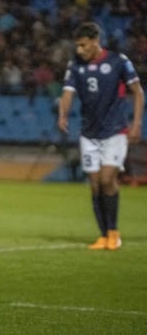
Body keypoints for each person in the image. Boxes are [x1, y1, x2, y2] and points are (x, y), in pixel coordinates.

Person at [58, 21, 144, 251]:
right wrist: (63, 114)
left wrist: (136, 124)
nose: (80, 50)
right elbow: (67, 92)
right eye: (78, 46)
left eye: (84, 45)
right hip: (89, 133)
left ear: (96, 41)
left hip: (114, 131)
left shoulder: (118, 61)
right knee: (95, 185)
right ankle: (103, 235)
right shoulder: (75, 65)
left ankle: (114, 233)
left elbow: (138, 92)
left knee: (107, 180)